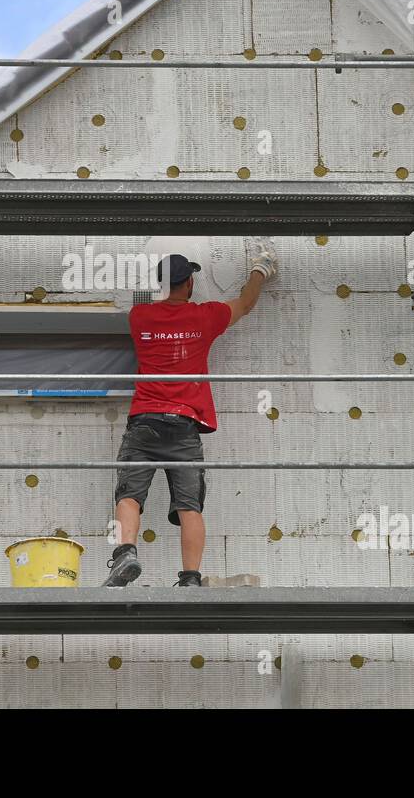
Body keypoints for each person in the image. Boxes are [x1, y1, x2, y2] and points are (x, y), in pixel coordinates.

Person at [102, 242, 277, 587]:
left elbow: (147, 303)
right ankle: (190, 578)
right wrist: (261, 269)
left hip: (145, 422)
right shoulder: (205, 316)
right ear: (189, 284)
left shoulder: (140, 318)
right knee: (188, 506)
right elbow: (246, 303)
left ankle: (125, 554)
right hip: (183, 425)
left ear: (160, 286)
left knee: (129, 495)